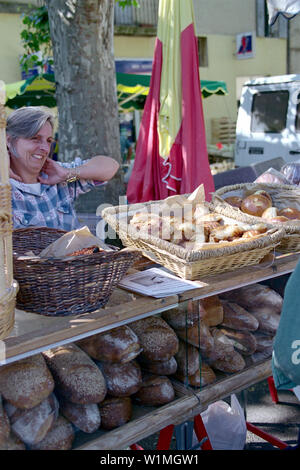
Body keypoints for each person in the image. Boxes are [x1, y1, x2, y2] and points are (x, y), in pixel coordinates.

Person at [6, 106, 119, 231]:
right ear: (9, 141)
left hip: (77, 250)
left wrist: (68, 174)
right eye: (35, 139)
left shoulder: (59, 176)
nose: (45, 148)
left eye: (49, 141)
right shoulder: (4, 188)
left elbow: (111, 166)